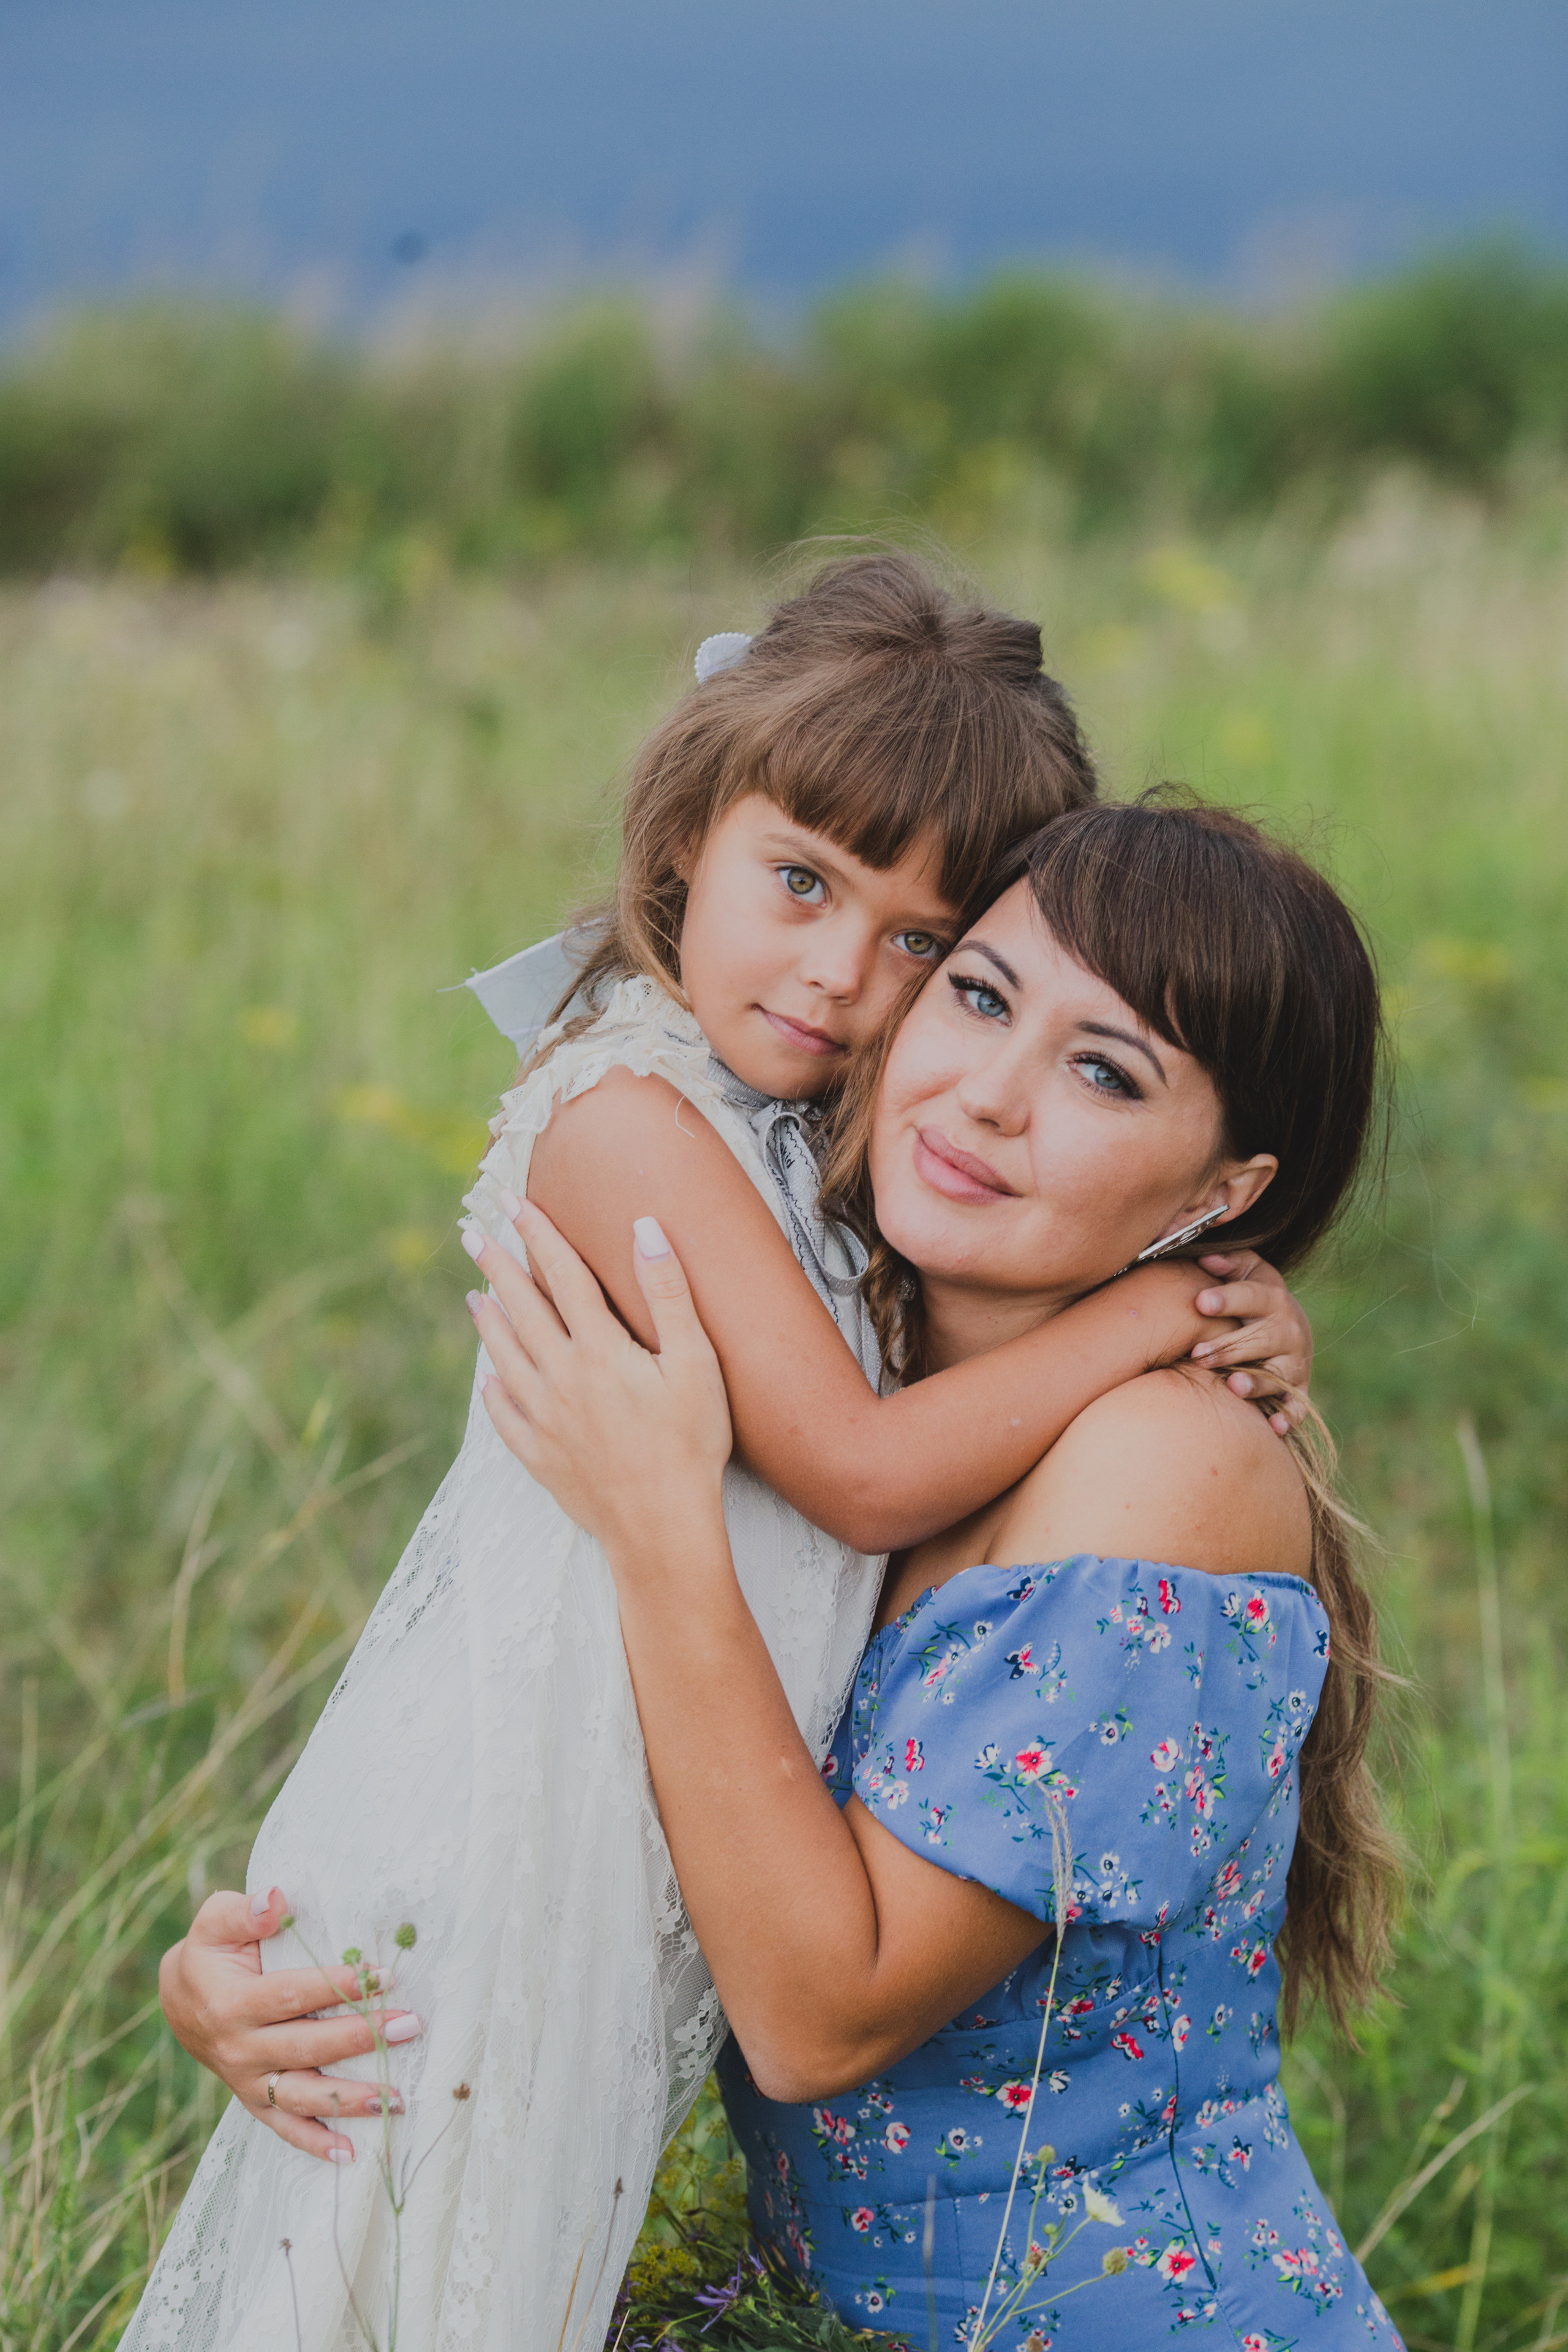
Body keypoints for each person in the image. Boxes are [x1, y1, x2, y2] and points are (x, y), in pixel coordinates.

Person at [137, 559, 1310, 2352]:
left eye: (922, 946)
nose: (844, 978)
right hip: (504, 1862)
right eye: (804, 886)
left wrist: (1211, 1318)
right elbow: (859, 1474)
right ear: (688, 836)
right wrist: (1156, 1308)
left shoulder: (896, 1234)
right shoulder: (631, 1111)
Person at [466, 796, 1404, 2348]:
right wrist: (306, 1959)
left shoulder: (1163, 1465)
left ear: (1218, 1195)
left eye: (1102, 1073)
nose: (987, 1095)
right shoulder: (847, 1399)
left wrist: (659, 1528)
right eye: (976, 995)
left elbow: (817, 2016)